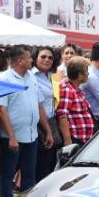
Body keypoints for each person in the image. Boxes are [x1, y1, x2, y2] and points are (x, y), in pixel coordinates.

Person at [0, 46, 53, 197]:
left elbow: (39, 105)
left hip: (31, 135)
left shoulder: (31, 77)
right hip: (11, 136)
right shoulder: (3, 78)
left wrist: (48, 131)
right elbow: (1, 109)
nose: (32, 60)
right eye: (29, 58)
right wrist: (12, 136)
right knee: (7, 173)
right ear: (20, 61)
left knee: (29, 173)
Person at [32, 46, 59, 182]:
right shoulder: (31, 76)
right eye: (43, 56)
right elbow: (38, 104)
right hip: (38, 124)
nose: (47, 60)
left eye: (50, 57)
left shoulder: (51, 76)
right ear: (35, 58)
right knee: (40, 166)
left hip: (52, 121)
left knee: (50, 165)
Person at [56, 56, 95, 147]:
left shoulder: (75, 88)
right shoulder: (67, 89)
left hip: (82, 138)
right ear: (79, 74)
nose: (88, 73)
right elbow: (62, 115)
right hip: (74, 139)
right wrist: (67, 140)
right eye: (86, 70)